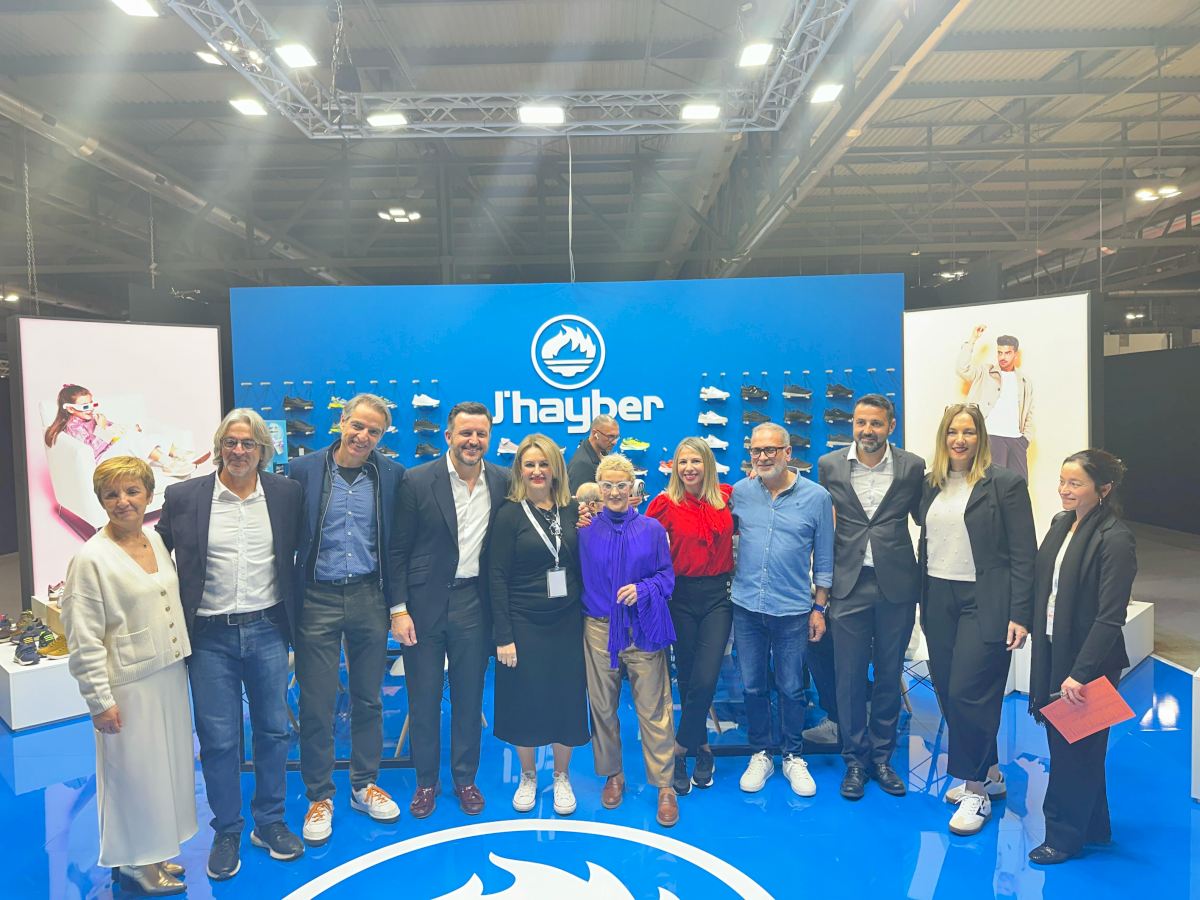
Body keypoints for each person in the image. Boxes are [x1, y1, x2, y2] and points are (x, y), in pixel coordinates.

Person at [156, 409, 304, 879]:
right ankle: (227, 830)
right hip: (209, 637)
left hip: (268, 629)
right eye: (231, 442)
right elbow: (154, 554)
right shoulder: (184, 496)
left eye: (248, 444)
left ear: (263, 450)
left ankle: (270, 822)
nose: (239, 451)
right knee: (219, 740)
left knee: (273, 731)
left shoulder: (286, 494)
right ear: (219, 446)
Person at [60, 457, 196, 895]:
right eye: (111, 494)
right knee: (133, 777)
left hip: (167, 674)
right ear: (100, 501)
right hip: (127, 684)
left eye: (132, 491)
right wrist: (99, 701)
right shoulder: (91, 559)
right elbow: (83, 638)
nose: (123, 501)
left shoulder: (154, 540)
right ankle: (136, 865)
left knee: (162, 772)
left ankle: (154, 852)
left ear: (149, 495)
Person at [290, 393, 406, 846]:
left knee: (368, 699)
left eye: (373, 431)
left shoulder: (391, 476)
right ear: (341, 421)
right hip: (316, 597)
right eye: (357, 426)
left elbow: (397, 545)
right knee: (316, 702)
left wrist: (397, 605)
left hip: (368, 596)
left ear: (382, 436)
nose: (363, 436)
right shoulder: (303, 470)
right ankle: (320, 795)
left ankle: (364, 785)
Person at [918, 402, 1036, 836]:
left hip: (983, 600)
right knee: (949, 690)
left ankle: (975, 791)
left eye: (968, 431)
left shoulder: (1005, 484)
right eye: (953, 431)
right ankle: (990, 772)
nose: (960, 439)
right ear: (943, 437)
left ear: (981, 437)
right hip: (938, 597)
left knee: (971, 693)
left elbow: (1024, 553)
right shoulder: (931, 483)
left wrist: (1020, 613)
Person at [389, 401, 509, 819]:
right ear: (448, 436)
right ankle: (426, 782)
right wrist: (398, 610)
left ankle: (465, 779)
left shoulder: (502, 480)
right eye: (465, 433)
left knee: (469, 697)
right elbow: (397, 550)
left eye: (481, 434)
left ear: (488, 438)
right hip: (422, 606)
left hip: (474, 603)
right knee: (423, 698)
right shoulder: (417, 480)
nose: (473, 441)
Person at [1028, 450, 1137, 865]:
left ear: (1103, 489)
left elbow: (1110, 616)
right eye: (1062, 481)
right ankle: (1094, 827)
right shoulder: (1061, 524)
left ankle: (1062, 838)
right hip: (1054, 650)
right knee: (1077, 750)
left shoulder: (1115, 538)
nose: (1064, 490)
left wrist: (1080, 673)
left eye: (1075, 483)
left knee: (1074, 754)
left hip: (1088, 663)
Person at [817, 393, 925, 800]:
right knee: (848, 677)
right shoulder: (829, 465)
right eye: (861, 422)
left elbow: (925, 519)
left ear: (890, 426)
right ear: (853, 424)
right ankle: (855, 761)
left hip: (896, 584)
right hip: (848, 583)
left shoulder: (912, 466)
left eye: (876, 423)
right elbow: (822, 524)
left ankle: (882, 758)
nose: (867, 430)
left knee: (888, 674)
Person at [488, 434, 590, 816]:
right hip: (523, 622)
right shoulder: (509, 514)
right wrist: (503, 636)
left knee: (566, 699)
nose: (536, 471)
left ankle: (561, 775)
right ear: (519, 470)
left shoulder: (572, 509)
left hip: (567, 621)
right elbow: (496, 577)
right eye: (529, 464)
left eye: (543, 463)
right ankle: (528, 775)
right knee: (525, 701)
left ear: (555, 468)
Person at [732, 423, 834, 798]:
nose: (762, 457)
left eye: (770, 450)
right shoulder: (740, 492)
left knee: (792, 688)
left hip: (793, 609)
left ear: (788, 453)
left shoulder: (817, 497)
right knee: (753, 685)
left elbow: (825, 559)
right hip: (747, 607)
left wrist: (819, 607)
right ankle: (761, 752)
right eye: (756, 450)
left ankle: (792, 755)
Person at [578, 453, 679, 826]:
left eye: (622, 485)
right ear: (599, 489)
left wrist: (643, 589)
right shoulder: (584, 531)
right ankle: (613, 775)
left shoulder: (652, 529)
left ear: (633, 487)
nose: (615, 492)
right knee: (602, 707)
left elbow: (667, 578)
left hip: (643, 626)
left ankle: (665, 786)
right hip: (599, 628)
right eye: (608, 485)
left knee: (653, 708)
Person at [646, 437, 733, 794]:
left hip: (718, 597)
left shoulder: (727, 497)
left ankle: (680, 747)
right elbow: (637, 536)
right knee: (687, 673)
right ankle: (704, 748)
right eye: (682, 462)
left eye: (695, 461)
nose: (688, 468)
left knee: (706, 675)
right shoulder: (665, 504)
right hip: (679, 596)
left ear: (707, 464)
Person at [44, 383, 208, 477]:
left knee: (144, 436)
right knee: (133, 441)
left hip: (111, 450)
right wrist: (101, 427)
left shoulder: (92, 417)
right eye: (85, 406)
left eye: (92, 404)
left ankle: (179, 454)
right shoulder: (74, 427)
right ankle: (169, 464)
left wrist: (127, 429)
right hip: (101, 461)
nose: (91, 409)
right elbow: (91, 450)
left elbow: (112, 428)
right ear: (70, 409)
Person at [955, 326, 1034, 479]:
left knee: (1020, 484)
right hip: (991, 437)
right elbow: (961, 369)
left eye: (1007, 353)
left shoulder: (1024, 381)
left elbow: (1029, 412)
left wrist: (1025, 439)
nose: (1002, 357)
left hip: (1016, 440)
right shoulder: (986, 372)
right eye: (999, 352)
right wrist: (972, 340)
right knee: (991, 484)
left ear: (1015, 354)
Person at [566, 414, 620, 493]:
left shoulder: (602, 452)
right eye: (610, 436)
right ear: (595, 433)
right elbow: (581, 500)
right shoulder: (582, 465)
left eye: (616, 437)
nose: (614, 442)